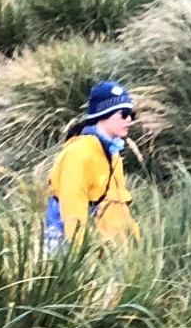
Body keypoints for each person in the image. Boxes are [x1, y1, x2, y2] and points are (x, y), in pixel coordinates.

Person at [47, 81, 139, 248]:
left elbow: (116, 204)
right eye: (124, 114)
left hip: (97, 235)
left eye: (132, 114)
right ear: (103, 114)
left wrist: (130, 246)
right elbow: (73, 213)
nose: (129, 120)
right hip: (66, 238)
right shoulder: (78, 153)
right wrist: (82, 257)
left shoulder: (112, 151)